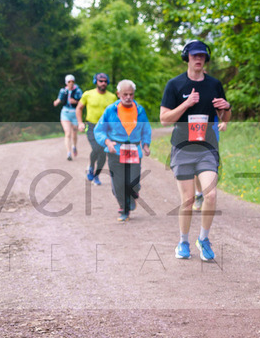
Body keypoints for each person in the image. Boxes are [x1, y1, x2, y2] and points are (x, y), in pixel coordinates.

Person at [159, 40, 231, 261]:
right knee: (188, 199)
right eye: (194, 56)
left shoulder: (214, 84)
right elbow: (163, 119)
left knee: (210, 194)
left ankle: (204, 238)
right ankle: (183, 241)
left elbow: (224, 116)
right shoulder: (174, 85)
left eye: (202, 56)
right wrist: (186, 104)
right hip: (182, 148)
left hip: (207, 148)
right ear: (187, 58)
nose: (198, 59)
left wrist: (227, 109)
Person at [94, 80, 152, 222]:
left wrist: (145, 144)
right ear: (118, 94)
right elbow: (99, 130)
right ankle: (124, 208)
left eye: (131, 94)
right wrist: (107, 142)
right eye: (125, 94)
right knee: (118, 184)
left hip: (133, 149)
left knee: (134, 182)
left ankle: (132, 195)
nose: (128, 97)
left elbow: (146, 128)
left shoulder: (140, 110)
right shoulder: (110, 110)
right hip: (116, 150)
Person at [77, 73, 116, 185]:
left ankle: (96, 175)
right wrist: (80, 123)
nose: (103, 83)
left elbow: (114, 114)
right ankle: (90, 166)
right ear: (96, 82)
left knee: (103, 153)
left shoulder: (112, 97)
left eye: (105, 81)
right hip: (91, 126)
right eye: (100, 81)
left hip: (105, 127)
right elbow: (79, 108)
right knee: (97, 148)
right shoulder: (87, 94)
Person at [53, 74, 83, 160]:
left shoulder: (78, 91)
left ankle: (74, 146)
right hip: (65, 113)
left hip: (75, 114)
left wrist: (76, 102)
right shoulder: (63, 91)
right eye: (69, 82)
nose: (71, 83)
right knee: (68, 133)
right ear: (66, 83)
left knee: (74, 133)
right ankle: (68, 153)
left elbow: (82, 102)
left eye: (72, 81)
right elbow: (59, 98)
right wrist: (56, 102)